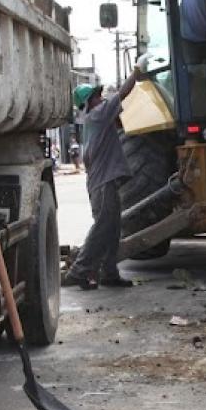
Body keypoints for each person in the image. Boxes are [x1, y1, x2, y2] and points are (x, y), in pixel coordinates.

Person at [61, 68, 141, 290]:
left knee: (113, 228)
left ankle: (108, 272)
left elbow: (119, 123)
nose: (101, 98)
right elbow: (123, 93)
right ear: (89, 103)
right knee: (103, 226)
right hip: (103, 184)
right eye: (97, 96)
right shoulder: (97, 115)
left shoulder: (97, 120)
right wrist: (137, 72)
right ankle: (80, 270)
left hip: (104, 182)